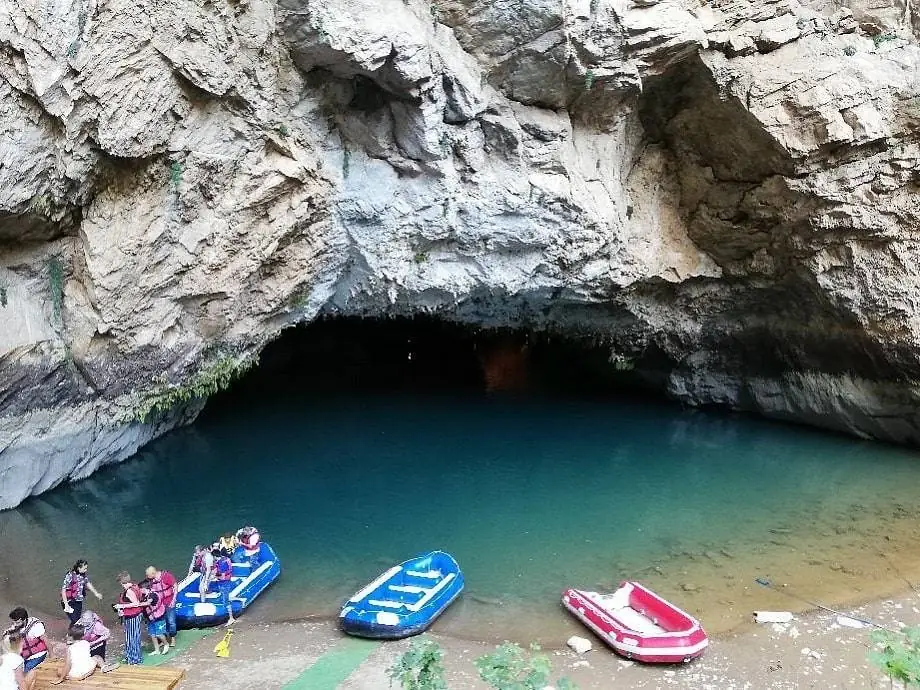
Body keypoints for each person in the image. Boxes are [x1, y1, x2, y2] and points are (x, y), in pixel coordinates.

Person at [51, 624, 118, 684]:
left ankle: (71, 677)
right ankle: (103, 667)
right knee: (97, 657)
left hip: (77, 675)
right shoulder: (86, 643)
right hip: (89, 670)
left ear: (70, 636)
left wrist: (60, 679)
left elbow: (68, 665)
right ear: (83, 635)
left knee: (59, 670)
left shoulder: (70, 648)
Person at [4, 607, 47, 690]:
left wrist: (52, 655)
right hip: (25, 655)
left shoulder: (36, 626)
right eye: (13, 621)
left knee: (25, 674)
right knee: (16, 672)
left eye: (16, 622)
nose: (14, 624)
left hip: (37, 655)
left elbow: (45, 639)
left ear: (23, 619)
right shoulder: (17, 625)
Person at [112, 572, 147, 665]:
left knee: (131, 637)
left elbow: (136, 603)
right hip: (135, 615)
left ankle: (134, 659)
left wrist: (121, 606)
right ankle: (132, 656)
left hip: (133, 617)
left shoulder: (129, 591)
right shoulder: (135, 586)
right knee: (134, 636)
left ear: (121, 582)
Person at [61, 560, 102, 626]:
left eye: (86, 568)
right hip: (69, 601)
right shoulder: (70, 575)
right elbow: (63, 590)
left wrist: (96, 593)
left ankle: (70, 634)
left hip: (78, 601)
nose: (86, 570)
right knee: (76, 621)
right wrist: (66, 604)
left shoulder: (83, 575)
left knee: (77, 620)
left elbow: (88, 583)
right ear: (79, 568)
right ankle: (74, 634)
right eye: (84, 568)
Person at [145, 565, 177, 648]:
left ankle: (173, 638)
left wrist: (173, 600)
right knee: (163, 621)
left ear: (153, 573)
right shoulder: (152, 580)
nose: (147, 577)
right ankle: (164, 639)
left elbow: (175, 586)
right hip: (160, 604)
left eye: (148, 575)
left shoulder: (166, 576)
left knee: (171, 621)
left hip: (169, 601)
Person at [139, 580, 168, 656]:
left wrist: (137, 604)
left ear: (144, 588)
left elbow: (149, 602)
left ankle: (166, 644)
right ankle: (157, 650)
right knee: (152, 634)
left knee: (159, 634)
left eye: (140, 589)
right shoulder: (144, 596)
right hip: (150, 618)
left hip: (158, 617)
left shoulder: (153, 595)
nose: (139, 591)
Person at [213, 548, 235, 627]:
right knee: (225, 599)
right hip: (226, 582)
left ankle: (231, 618)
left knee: (226, 601)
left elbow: (222, 577)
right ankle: (229, 617)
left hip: (224, 583)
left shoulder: (221, 563)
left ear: (215, 556)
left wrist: (214, 577)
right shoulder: (225, 559)